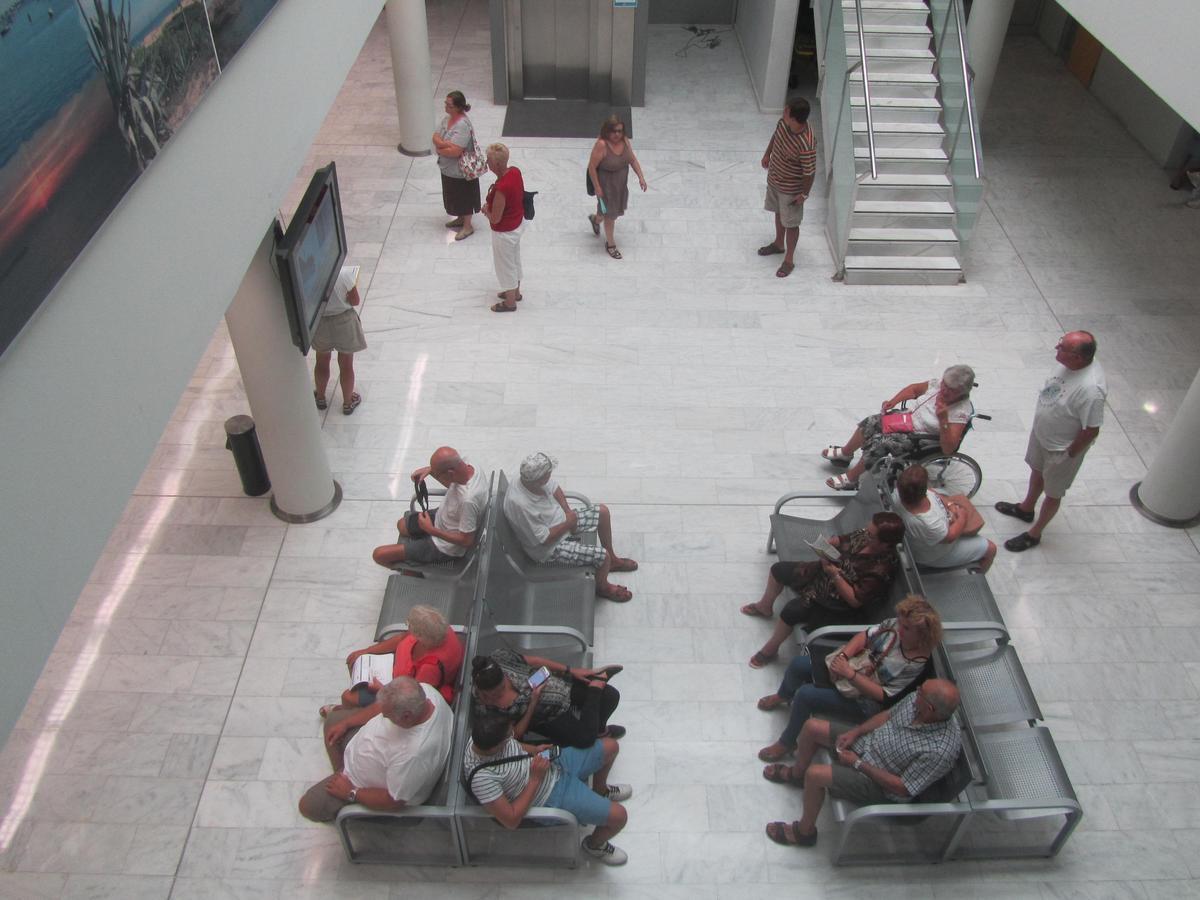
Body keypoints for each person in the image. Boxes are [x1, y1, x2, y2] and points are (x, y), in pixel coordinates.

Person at [763, 679, 962, 848]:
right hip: (867, 744)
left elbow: (903, 788)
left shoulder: (940, 751)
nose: (916, 692)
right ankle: (797, 775)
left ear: (930, 709)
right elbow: (887, 716)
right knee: (811, 727)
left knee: (816, 774)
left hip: (879, 784)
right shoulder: (917, 702)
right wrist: (855, 732)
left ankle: (804, 832)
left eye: (921, 692)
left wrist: (858, 764)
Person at [756, 596, 941, 763]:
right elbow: (865, 637)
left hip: (863, 700)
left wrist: (849, 675)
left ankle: (787, 742)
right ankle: (783, 695)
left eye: (906, 628)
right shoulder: (896, 624)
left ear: (922, 635)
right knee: (798, 665)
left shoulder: (915, 663)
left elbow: (883, 696)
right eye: (900, 624)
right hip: (852, 666)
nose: (900, 629)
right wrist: (843, 657)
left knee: (805, 695)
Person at [463, 712, 632, 865]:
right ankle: (595, 845)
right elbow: (511, 820)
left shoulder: (481, 737)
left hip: (551, 764)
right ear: (494, 748)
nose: (512, 736)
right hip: (551, 794)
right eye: (508, 736)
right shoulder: (481, 779)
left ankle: (600, 790)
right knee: (619, 817)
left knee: (611, 746)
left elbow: (515, 748)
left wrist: (535, 750)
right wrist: (535, 779)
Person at [741, 512, 905, 668]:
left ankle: (771, 650)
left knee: (792, 610)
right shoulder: (866, 536)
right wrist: (831, 544)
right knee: (779, 570)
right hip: (825, 573)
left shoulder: (881, 570)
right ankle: (765, 607)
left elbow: (854, 600)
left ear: (885, 544)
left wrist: (834, 575)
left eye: (871, 535)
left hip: (836, 601)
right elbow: (843, 539)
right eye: (867, 530)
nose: (865, 535)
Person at [995, 331, 1106, 552]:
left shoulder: (1092, 390)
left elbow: (1092, 430)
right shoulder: (1068, 364)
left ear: (1078, 357)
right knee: (1037, 471)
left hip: (1061, 449)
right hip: (1043, 436)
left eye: (1062, 348)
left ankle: (1035, 533)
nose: (1056, 348)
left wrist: (1069, 454)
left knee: (1053, 492)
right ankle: (1026, 508)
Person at [299, 677, 453, 823]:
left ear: (406, 717)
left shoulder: (414, 755)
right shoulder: (425, 692)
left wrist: (351, 792)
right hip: (364, 752)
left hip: (362, 787)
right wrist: (346, 723)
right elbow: (379, 708)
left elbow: (393, 800)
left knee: (307, 806)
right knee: (333, 722)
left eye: (387, 716)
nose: (383, 716)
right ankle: (340, 772)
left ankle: (342, 792)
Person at [502, 451, 637, 602]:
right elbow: (543, 539)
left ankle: (613, 560)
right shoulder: (520, 505)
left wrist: (567, 512)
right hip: (550, 548)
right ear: (537, 481)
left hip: (562, 522)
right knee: (602, 557)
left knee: (603, 513)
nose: (550, 477)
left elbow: (555, 488)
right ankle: (603, 587)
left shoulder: (528, 478)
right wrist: (568, 522)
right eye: (548, 475)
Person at [821, 364, 976, 491]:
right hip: (906, 419)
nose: (944, 390)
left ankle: (851, 479)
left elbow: (949, 448)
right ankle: (846, 453)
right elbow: (914, 389)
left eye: (951, 390)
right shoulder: (937, 386)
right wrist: (893, 401)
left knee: (880, 442)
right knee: (871, 422)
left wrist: (943, 420)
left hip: (920, 439)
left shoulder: (960, 411)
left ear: (961, 392)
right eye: (944, 385)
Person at [321, 605, 463, 722]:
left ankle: (347, 716)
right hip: (392, 667)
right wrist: (366, 651)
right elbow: (402, 638)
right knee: (355, 660)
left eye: (410, 626)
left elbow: (411, 698)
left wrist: (381, 689)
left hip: (396, 690)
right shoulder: (438, 629)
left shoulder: (431, 668)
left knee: (348, 697)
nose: (408, 628)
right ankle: (358, 710)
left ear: (421, 637)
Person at [471, 651, 624, 747]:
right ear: (484, 692)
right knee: (585, 739)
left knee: (611, 696)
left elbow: (535, 661)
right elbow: (514, 735)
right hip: (546, 716)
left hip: (555, 685)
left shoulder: (499, 658)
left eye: (503, 685)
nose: (503, 691)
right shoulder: (486, 710)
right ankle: (595, 687)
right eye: (497, 693)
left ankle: (599, 729)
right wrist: (533, 702)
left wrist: (571, 670)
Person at [372, 446, 487, 568]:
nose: (435, 475)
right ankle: (415, 551)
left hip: (444, 546)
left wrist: (431, 530)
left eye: (438, 474)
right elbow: (453, 484)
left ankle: (411, 570)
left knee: (379, 555)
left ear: (450, 473)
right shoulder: (468, 463)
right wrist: (430, 471)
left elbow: (466, 541)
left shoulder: (468, 501)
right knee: (401, 525)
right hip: (443, 517)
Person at [893, 464, 996, 572]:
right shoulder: (929, 524)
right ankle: (980, 574)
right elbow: (951, 536)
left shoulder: (898, 494)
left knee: (944, 492)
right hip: (935, 555)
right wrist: (962, 517)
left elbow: (932, 492)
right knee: (991, 548)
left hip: (929, 536)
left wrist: (950, 505)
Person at [757, 95, 816, 278]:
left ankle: (789, 260)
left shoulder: (806, 143)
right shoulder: (783, 124)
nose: (783, 111)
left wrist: (804, 194)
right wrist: (767, 154)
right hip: (775, 179)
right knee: (778, 212)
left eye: (786, 110)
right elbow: (776, 137)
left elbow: (809, 172)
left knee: (791, 223)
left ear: (792, 115)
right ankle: (778, 244)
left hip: (791, 189)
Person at [587, 115, 647, 260]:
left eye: (620, 131)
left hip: (620, 186)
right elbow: (592, 167)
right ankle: (611, 245)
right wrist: (597, 187)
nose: (617, 134)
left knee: (605, 213)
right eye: (613, 131)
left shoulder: (625, 141)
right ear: (607, 131)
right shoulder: (601, 145)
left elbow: (632, 159)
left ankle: (595, 219)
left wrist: (641, 177)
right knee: (610, 216)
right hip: (606, 187)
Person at [311, 265, 365, 415]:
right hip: (344, 321)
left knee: (321, 360)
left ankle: (320, 397)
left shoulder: (310, 275)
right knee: (346, 365)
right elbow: (355, 301)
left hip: (321, 321)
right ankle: (348, 402)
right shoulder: (345, 274)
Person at [431, 91, 482, 241]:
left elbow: (456, 151)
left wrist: (441, 147)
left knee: (464, 196)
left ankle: (467, 226)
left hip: (461, 171)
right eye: (446, 103)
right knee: (453, 194)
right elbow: (435, 136)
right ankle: (460, 218)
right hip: (448, 168)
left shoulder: (463, 125)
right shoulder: (447, 119)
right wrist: (444, 144)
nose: (446, 107)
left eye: (449, 105)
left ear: (458, 107)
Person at [483, 143, 525, 312]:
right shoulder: (515, 172)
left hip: (504, 233)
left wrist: (486, 210)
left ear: (498, 165)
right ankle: (516, 292)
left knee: (505, 266)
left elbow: (495, 218)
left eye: (489, 161)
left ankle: (509, 302)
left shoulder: (501, 188)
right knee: (515, 260)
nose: (487, 163)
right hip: (517, 225)